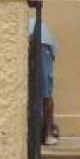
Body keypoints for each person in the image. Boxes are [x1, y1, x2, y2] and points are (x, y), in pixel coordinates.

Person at [29, 15, 61, 145]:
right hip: (37, 41)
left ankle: (47, 131)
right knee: (41, 91)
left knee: (44, 91)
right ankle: (46, 129)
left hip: (42, 44)